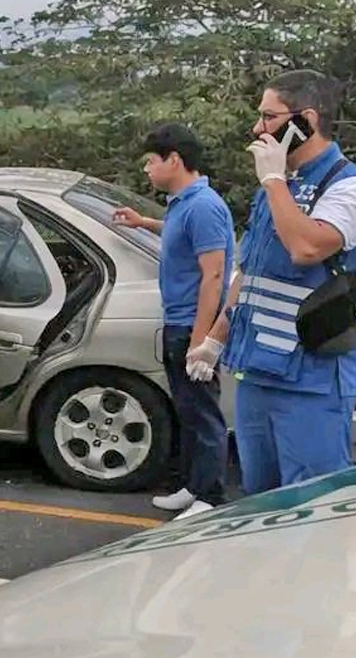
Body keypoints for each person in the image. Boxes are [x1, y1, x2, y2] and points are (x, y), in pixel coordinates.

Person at [191, 69, 356, 495]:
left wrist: (274, 181)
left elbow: (306, 248)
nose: (258, 129)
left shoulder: (351, 186)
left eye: (269, 117)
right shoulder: (275, 189)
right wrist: (216, 339)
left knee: (313, 502)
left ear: (306, 120)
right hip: (259, 368)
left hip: (312, 376)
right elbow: (251, 271)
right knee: (260, 498)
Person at [113, 123, 233, 520]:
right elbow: (181, 236)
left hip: (191, 325)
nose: (147, 169)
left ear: (174, 160)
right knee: (186, 410)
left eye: (151, 161)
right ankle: (192, 486)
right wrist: (143, 223)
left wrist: (202, 340)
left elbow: (213, 274)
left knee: (203, 413)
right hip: (177, 320)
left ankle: (210, 496)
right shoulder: (183, 203)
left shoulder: (205, 205)